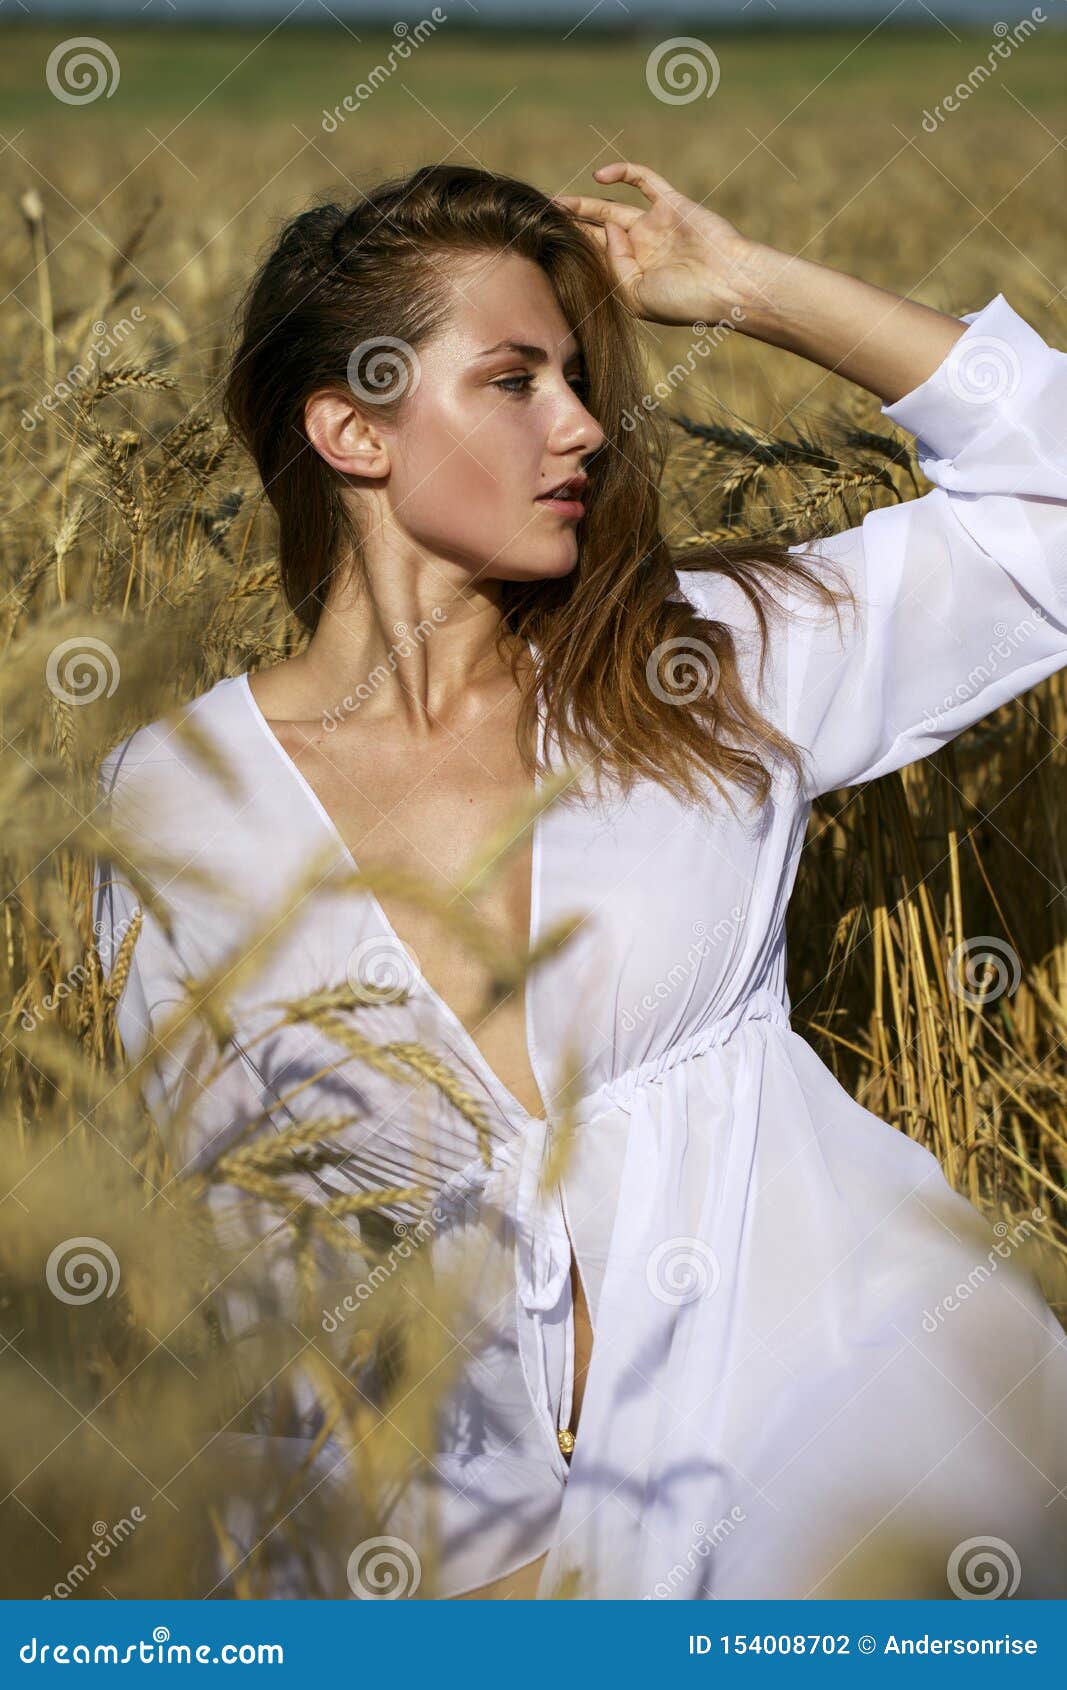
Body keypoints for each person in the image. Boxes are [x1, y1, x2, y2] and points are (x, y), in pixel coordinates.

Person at [94, 160, 1067, 1600]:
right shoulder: (182, 797)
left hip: (859, 1466)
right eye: (512, 381)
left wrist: (749, 289)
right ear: (351, 427)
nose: (584, 425)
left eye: (573, 374)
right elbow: (241, 1241)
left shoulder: (705, 665)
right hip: (457, 1558)